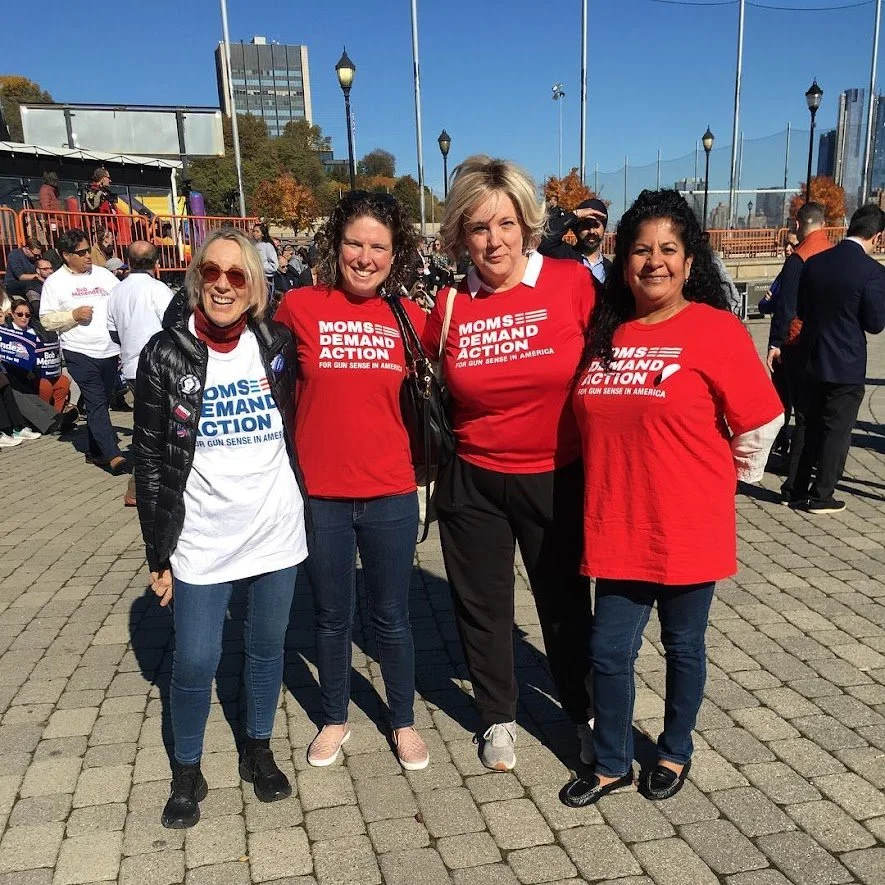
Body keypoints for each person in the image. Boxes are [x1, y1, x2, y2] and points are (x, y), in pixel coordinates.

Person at [559, 190, 783, 808]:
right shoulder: (607, 331)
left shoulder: (714, 330)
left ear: (689, 262)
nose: (653, 261)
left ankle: (675, 749)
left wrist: (722, 481)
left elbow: (761, 419)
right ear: (622, 259)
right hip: (617, 523)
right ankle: (610, 762)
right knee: (608, 652)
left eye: (668, 250)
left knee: (683, 646)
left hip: (688, 525)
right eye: (640, 250)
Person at [420, 155, 597, 771]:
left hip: (555, 473)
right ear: (459, 235)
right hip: (472, 478)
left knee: (566, 607)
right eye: (477, 228)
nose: (493, 241)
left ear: (527, 223)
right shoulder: (447, 306)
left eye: (504, 224)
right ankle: (498, 716)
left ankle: (584, 712)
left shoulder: (572, 283)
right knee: (482, 607)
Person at [133, 227, 309, 829]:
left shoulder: (276, 343)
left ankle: (256, 748)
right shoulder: (166, 352)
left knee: (266, 649)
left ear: (255, 287)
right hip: (202, 538)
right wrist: (159, 553)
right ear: (196, 279)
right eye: (212, 272)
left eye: (237, 275)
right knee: (195, 659)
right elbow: (152, 457)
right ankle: (187, 766)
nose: (223, 285)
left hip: (275, 528)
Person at [275, 191, 430, 772]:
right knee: (332, 615)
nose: (365, 257)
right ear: (336, 245)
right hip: (321, 493)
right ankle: (335, 715)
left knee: (392, 616)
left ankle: (403, 719)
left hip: (390, 488)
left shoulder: (408, 318)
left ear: (396, 255)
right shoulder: (298, 306)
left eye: (378, 247)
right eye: (355, 244)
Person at [789, 204, 885, 514]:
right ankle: (821, 495)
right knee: (836, 430)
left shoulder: (814, 264)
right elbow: (874, 323)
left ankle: (794, 488)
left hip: (811, 358)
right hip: (846, 365)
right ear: (878, 237)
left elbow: (801, 311)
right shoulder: (873, 272)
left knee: (807, 426)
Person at [39, 228, 125, 472]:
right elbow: (46, 320)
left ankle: (95, 450)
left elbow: (121, 300)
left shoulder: (103, 275)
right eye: (82, 252)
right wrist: (73, 316)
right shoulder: (55, 282)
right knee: (97, 402)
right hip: (79, 351)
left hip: (108, 349)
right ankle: (113, 454)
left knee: (100, 401)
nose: (89, 256)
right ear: (66, 255)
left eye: (89, 250)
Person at [767, 202, 832, 504]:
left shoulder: (799, 258)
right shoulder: (832, 253)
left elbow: (787, 307)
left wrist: (777, 343)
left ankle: (792, 485)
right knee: (819, 415)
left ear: (797, 224)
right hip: (827, 345)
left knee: (798, 414)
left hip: (797, 344)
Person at [107, 241, 173, 506]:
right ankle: (140, 487)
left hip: (132, 366)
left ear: (128, 261)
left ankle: (142, 486)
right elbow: (173, 328)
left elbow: (112, 331)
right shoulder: (159, 290)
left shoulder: (117, 292)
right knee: (160, 428)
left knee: (148, 426)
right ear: (156, 263)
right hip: (160, 367)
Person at [759, 232, 800, 456]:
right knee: (779, 394)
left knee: (787, 394)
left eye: (792, 245)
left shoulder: (794, 272)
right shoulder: (784, 272)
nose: (787, 249)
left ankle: (784, 439)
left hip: (787, 342)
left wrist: (770, 302)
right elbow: (764, 304)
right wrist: (768, 302)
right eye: (786, 244)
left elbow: (775, 303)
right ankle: (781, 436)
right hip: (777, 341)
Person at [3, 296, 73, 426]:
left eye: (27, 315)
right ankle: (50, 420)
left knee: (63, 382)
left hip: (42, 368)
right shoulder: (7, 331)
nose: (24, 317)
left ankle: (58, 416)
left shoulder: (35, 329)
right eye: (20, 314)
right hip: (19, 371)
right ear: (12, 314)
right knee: (44, 385)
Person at [538, 197, 612, 284]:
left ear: (604, 229)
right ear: (577, 229)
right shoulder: (564, 256)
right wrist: (575, 215)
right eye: (586, 225)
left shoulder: (612, 270)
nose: (591, 231)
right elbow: (544, 240)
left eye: (596, 225)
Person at [251, 223, 279, 290]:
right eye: (254, 231)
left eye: (257, 231)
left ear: (263, 234)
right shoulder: (252, 244)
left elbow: (274, 265)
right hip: (254, 278)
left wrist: (260, 267)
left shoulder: (268, 245)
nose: (255, 233)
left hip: (265, 279)